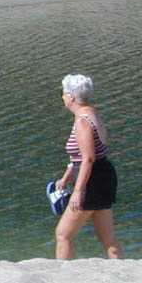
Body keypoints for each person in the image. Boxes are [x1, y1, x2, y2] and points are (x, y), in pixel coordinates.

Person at [54, 74, 123, 260]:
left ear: (71, 97)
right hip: (103, 175)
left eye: (62, 93)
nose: (61, 97)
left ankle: (63, 275)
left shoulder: (82, 121)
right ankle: (122, 272)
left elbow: (88, 158)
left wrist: (78, 191)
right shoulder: (92, 113)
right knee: (108, 238)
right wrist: (67, 176)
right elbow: (84, 155)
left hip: (92, 178)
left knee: (63, 234)